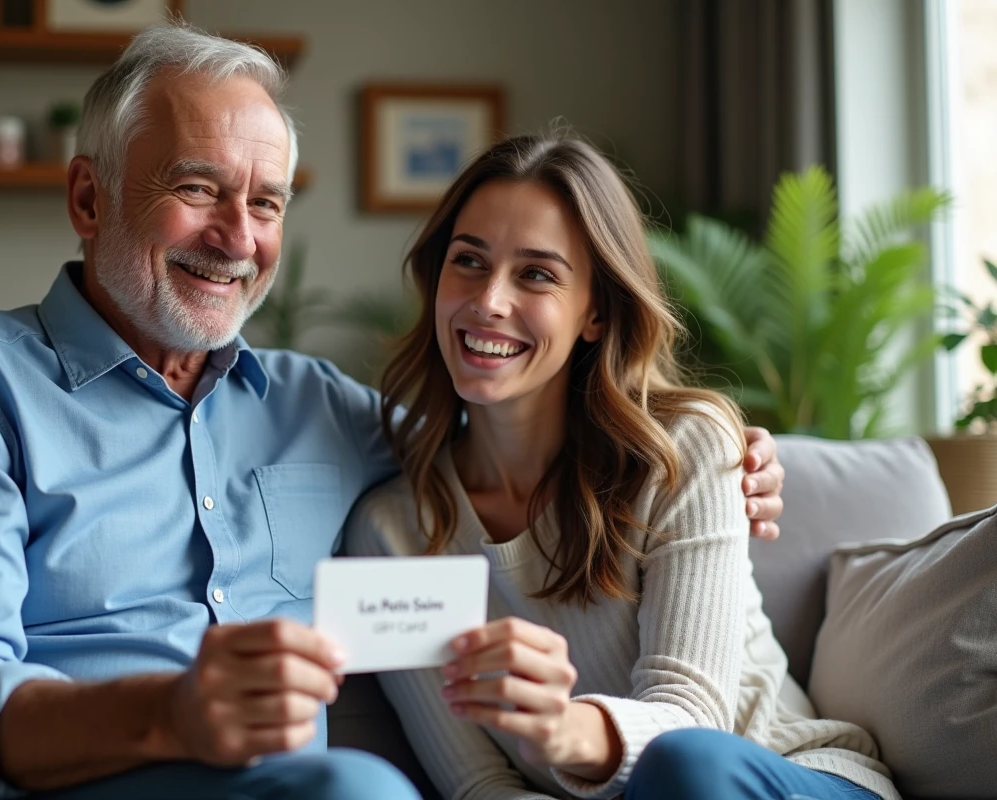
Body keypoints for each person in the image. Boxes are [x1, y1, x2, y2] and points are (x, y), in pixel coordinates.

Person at [0, 24, 785, 800]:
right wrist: (170, 715)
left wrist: (706, 450)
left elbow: (516, 436)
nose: (237, 238)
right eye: (196, 188)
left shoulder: (328, 411)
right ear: (88, 195)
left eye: (268, 204)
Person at [346, 132, 898, 800]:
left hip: (785, 775)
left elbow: (694, 721)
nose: (488, 300)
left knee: (686, 767)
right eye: (468, 261)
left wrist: (561, 728)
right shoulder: (392, 531)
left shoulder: (684, 450)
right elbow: (480, 785)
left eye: (537, 274)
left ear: (597, 313)